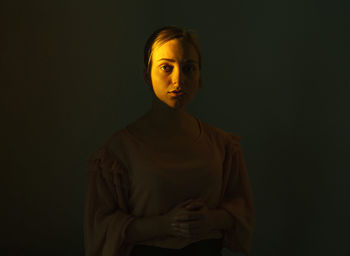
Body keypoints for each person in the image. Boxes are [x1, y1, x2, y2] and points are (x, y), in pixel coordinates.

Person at [84, 25, 255, 256]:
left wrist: (210, 219)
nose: (178, 79)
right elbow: (101, 225)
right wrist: (164, 224)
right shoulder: (118, 151)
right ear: (147, 74)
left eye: (188, 68)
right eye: (166, 67)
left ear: (199, 75)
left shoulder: (222, 145)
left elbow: (241, 209)